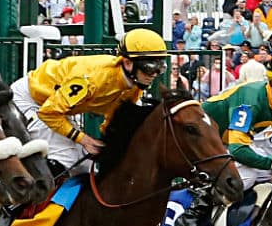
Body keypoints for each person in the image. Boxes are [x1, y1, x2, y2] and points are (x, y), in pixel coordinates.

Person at [175, 50, 272, 226]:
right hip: (196, 144)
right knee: (248, 175)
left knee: (269, 169)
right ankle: (193, 213)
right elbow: (238, 150)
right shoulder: (251, 100)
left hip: (219, 144)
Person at [10, 28, 168, 177]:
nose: (154, 74)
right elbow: (48, 113)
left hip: (57, 106)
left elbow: (112, 122)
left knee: (84, 166)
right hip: (30, 99)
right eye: (149, 67)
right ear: (127, 63)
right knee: (66, 157)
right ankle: (23, 201)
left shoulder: (134, 87)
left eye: (160, 67)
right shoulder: (92, 79)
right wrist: (84, 139)